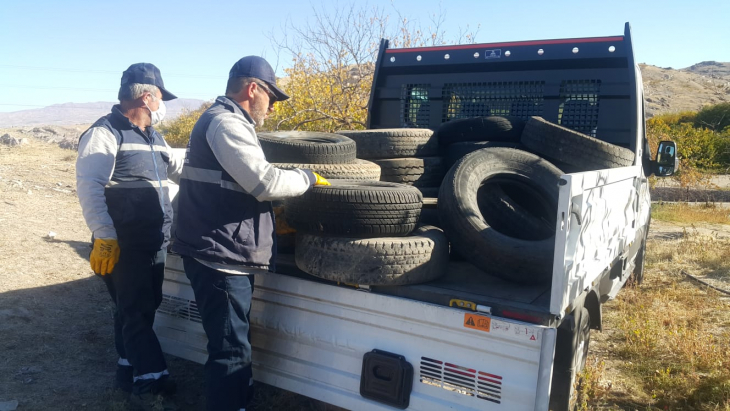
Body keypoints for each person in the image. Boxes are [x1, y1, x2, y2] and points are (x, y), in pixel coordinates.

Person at [172, 56, 330, 411]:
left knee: (234, 343)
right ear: (252, 88)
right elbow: (264, 182)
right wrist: (306, 179)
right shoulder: (226, 123)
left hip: (223, 249)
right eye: (271, 97)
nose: (272, 108)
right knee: (230, 349)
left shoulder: (227, 121)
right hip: (220, 256)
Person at [76, 63, 184, 410]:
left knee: (139, 308)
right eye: (161, 98)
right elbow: (89, 187)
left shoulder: (153, 135)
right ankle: (151, 384)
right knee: (135, 311)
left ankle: (127, 370)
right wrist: (104, 235)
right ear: (146, 97)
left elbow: (177, 168)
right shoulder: (104, 133)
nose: (163, 106)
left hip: (154, 240)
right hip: (122, 244)